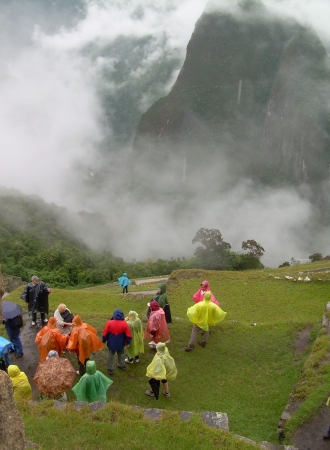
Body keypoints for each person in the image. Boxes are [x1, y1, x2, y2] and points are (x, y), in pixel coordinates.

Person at [102, 309, 132, 376]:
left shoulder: (109, 323)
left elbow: (105, 333)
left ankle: (110, 368)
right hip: (121, 344)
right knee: (121, 354)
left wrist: (104, 340)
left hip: (111, 344)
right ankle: (122, 365)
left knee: (110, 356)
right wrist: (128, 342)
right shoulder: (124, 324)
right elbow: (128, 335)